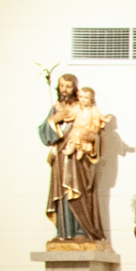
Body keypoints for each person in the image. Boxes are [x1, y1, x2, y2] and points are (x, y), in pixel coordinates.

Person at [39, 71, 105, 243]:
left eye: (68, 86)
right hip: (61, 159)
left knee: (80, 194)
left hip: (80, 160)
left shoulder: (83, 106)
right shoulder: (56, 108)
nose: (64, 89)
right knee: (62, 195)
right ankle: (65, 233)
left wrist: (93, 139)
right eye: (62, 86)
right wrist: (53, 120)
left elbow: (97, 131)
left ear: (75, 88)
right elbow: (44, 134)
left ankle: (83, 232)